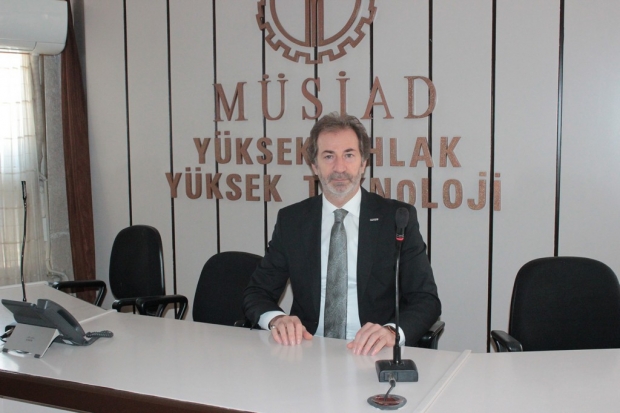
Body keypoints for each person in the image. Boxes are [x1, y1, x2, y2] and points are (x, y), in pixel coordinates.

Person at [242, 112, 440, 355]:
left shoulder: (397, 219)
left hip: (373, 351)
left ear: (363, 163)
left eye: (349, 155)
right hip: (306, 350)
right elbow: (257, 292)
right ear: (314, 166)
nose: (339, 168)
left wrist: (391, 332)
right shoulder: (292, 221)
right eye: (328, 156)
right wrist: (276, 319)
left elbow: (426, 299)